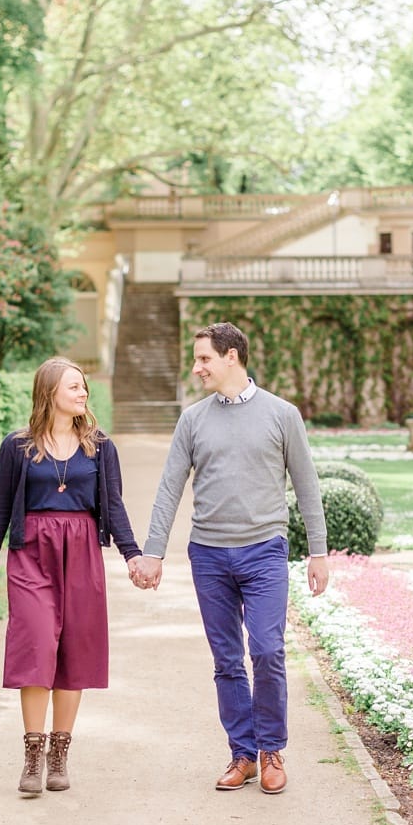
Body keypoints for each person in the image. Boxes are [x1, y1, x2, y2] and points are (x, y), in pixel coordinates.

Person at [131, 323, 329, 795]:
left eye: (203, 359)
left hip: (264, 551)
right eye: (197, 359)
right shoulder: (193, 420)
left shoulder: (282, 415)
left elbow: (306, 485)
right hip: (209, 555)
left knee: (266, 649)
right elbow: (169, 489)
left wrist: (318, 551)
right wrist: (153, 551)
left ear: (232, 357)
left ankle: (271, 749)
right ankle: (242, 754)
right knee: (226, 659)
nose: (196, 368)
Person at [0, 357, 143, 796]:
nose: (83, 393)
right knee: (34, 642)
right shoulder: (17, 446)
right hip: (32, 550)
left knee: (74, 649)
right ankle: (32, 752)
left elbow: (115, 504)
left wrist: (132, 554)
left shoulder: (100, 447)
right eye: (74, 386)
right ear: (50, 391)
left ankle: (59, 753)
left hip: (82, 550)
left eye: (84, 386)